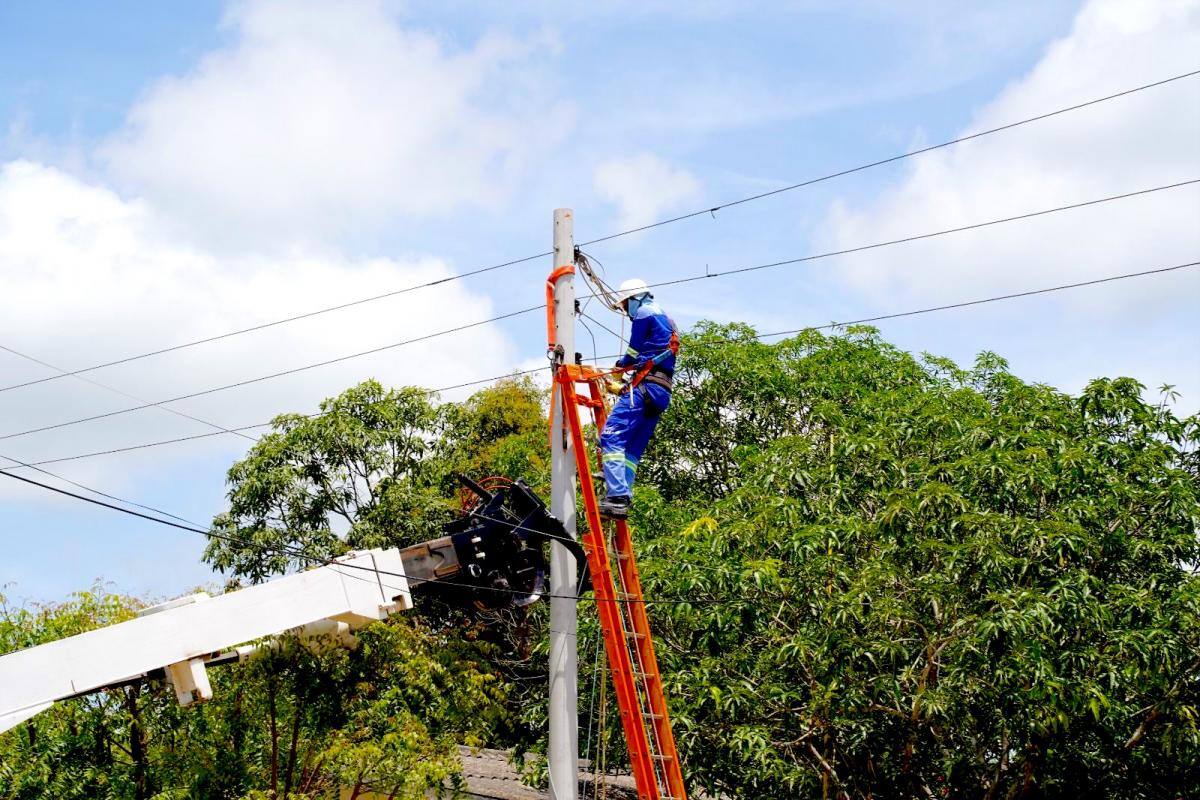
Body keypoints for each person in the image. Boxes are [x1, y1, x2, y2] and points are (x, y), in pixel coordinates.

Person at [597, 279, 679, 519]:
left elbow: (633, 353)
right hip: (660, 391)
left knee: (611, 436)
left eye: (625, 305)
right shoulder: (667, 319)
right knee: (632, 449)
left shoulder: (644, 313)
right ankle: (622, 493)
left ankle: (617, 495)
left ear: (635, 298)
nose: (625, 311)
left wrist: (620, 366)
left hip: (645, 387)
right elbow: (652, 359)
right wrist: (622, 387)